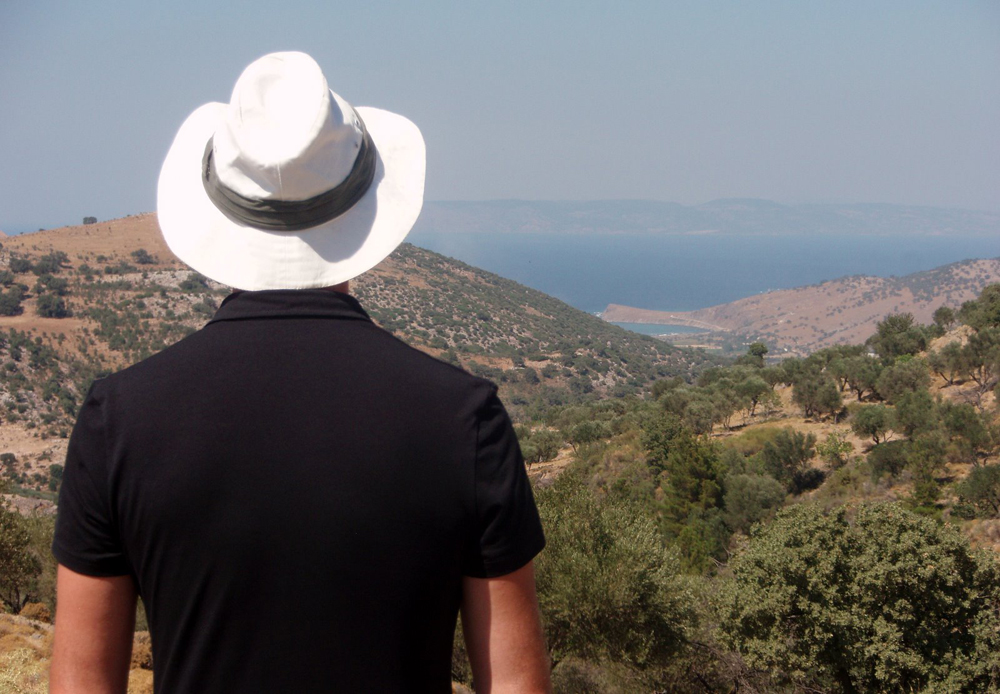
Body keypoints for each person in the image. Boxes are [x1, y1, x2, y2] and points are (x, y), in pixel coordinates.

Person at [50, 51, 550, 693]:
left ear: (218, 207)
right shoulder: (464, 420)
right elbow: (515, 686)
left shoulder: (117, 419)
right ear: (365, 203)